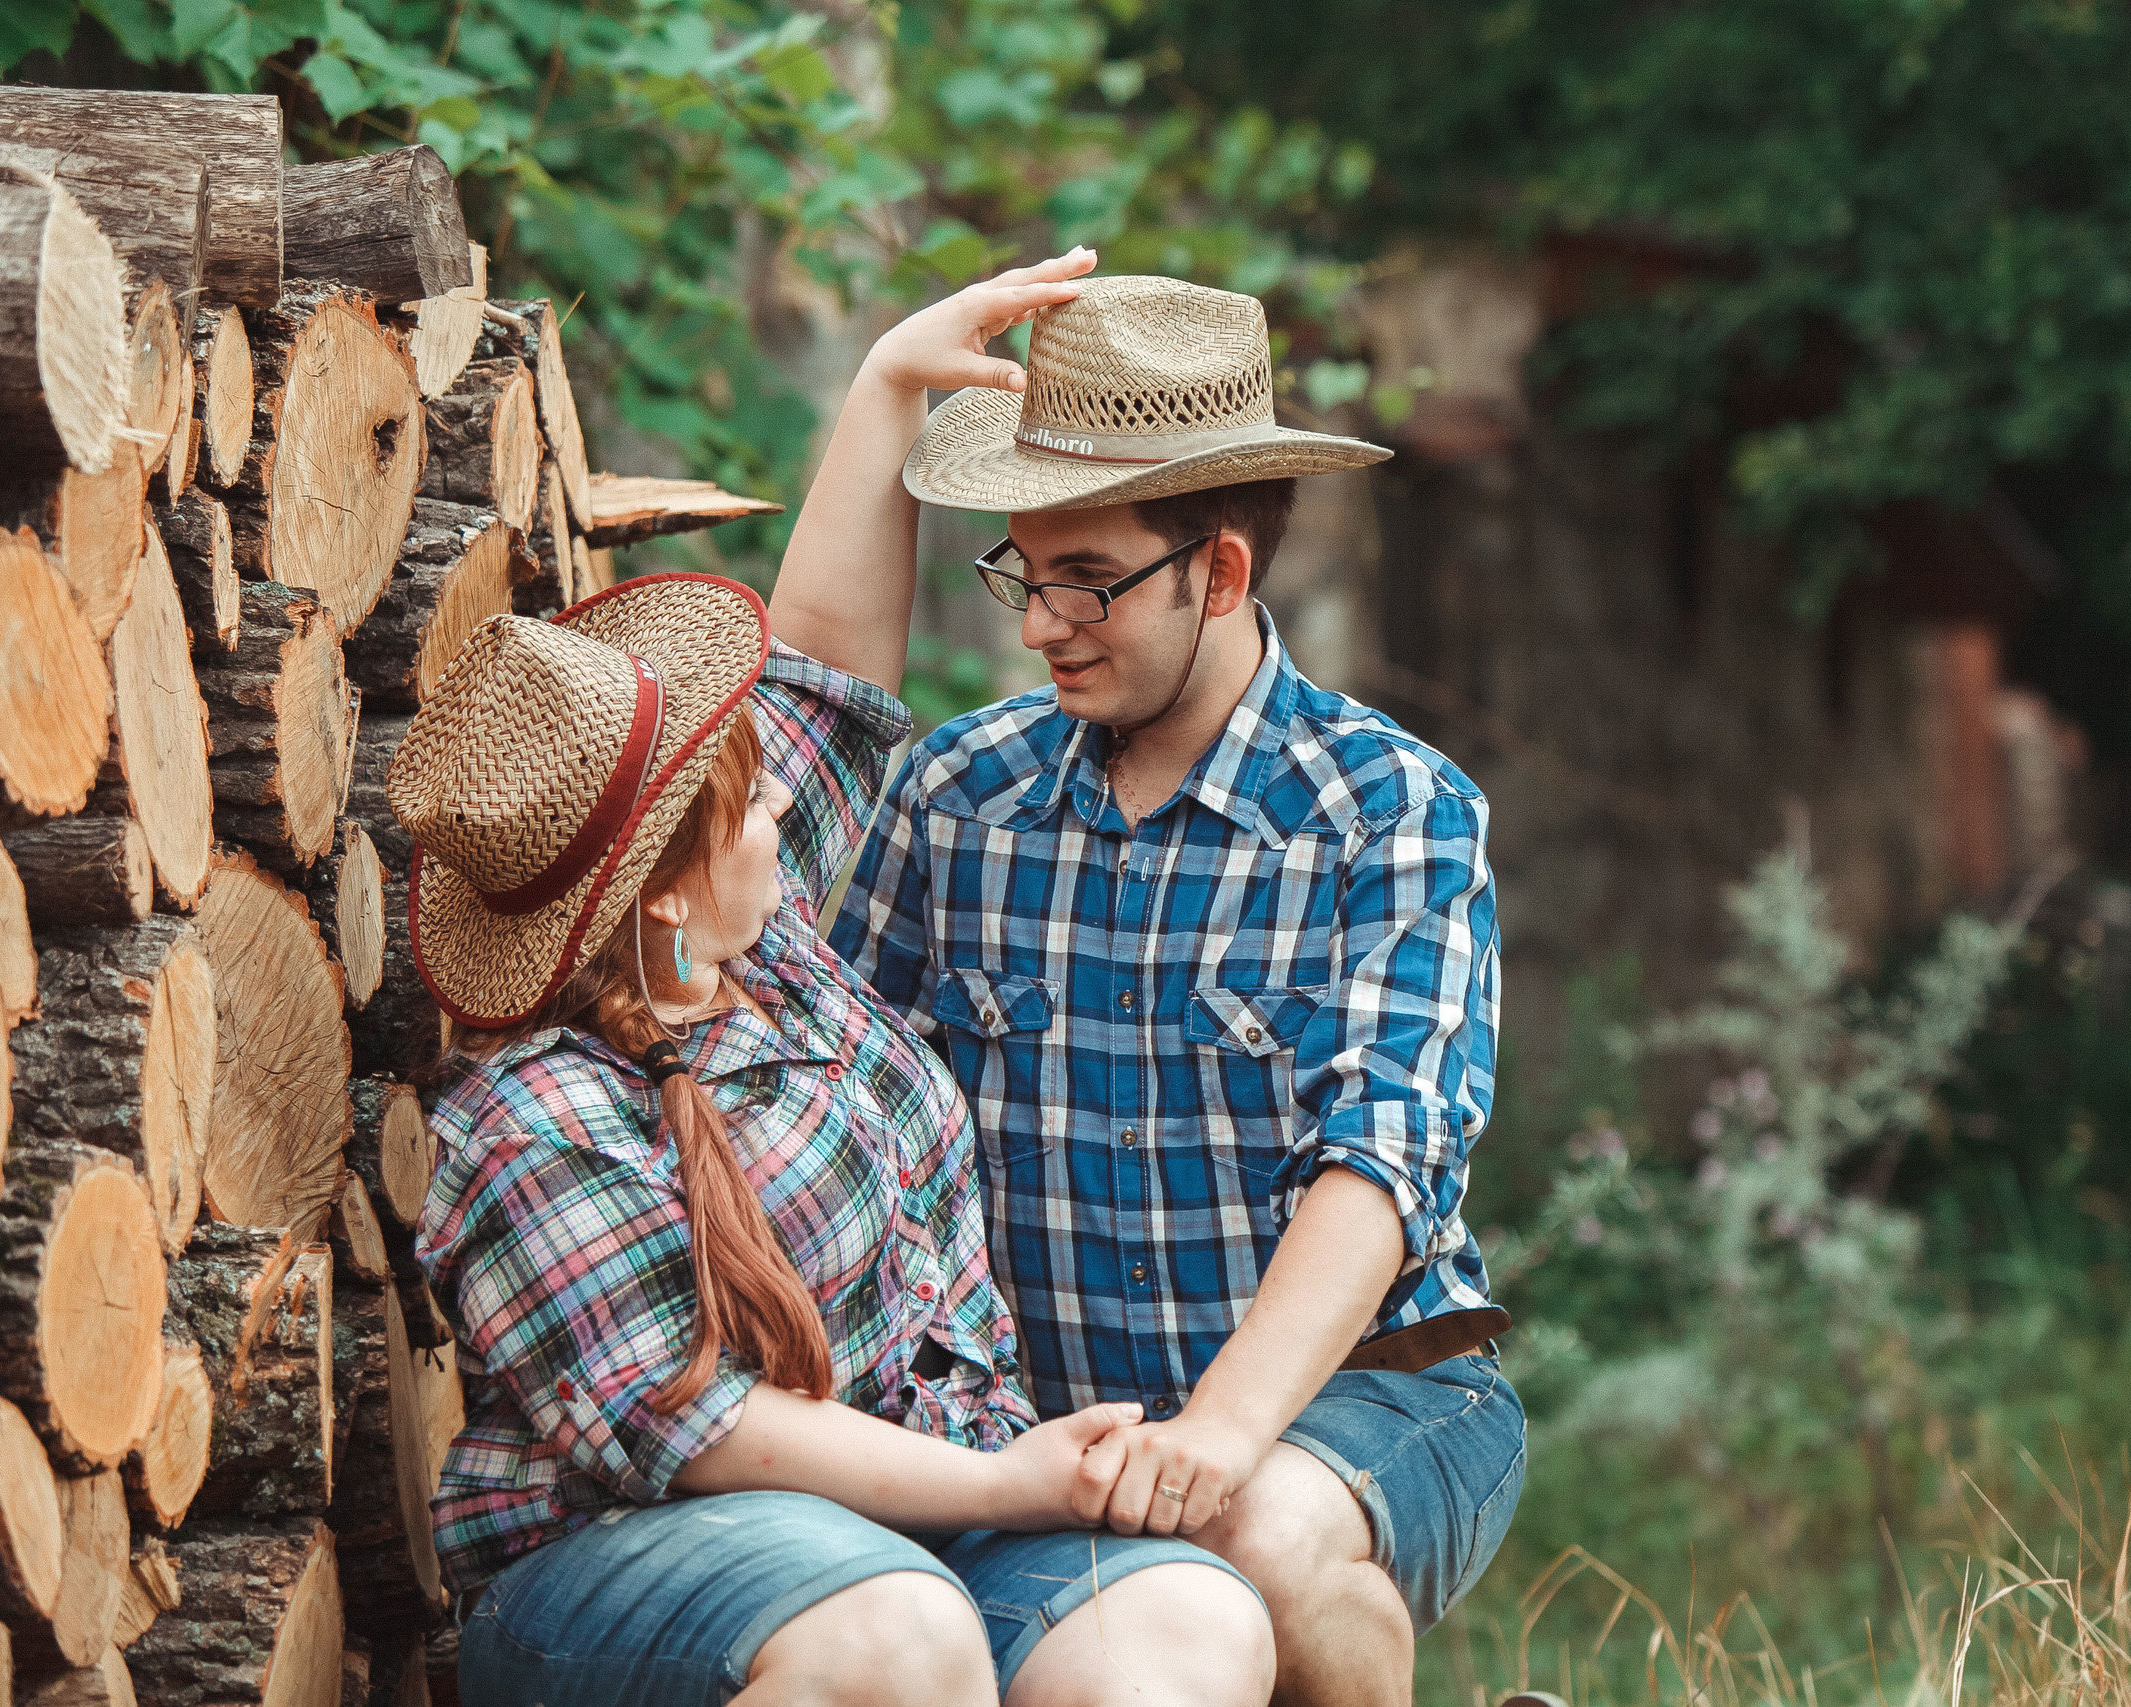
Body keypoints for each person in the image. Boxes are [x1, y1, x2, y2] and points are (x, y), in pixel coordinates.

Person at [399, 266, 1276, 1706]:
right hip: (641, 1569)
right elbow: (707, 1433)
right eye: (744, 808)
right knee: (896, 1641)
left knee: (1186, 1631)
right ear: (670, 884)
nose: (782, 822)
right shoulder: (533, 1122)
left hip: (927, 1516)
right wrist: (1010, 1478)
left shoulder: (762, 954)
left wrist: (889, 388)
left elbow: (819, 674)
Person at [789, 252, 1527, 1707]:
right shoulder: (954, 796)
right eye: (1020, 569)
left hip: (1371, 1390)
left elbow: (1383, 1163)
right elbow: (838, 1100)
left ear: (1223, 572)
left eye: (1086, 581)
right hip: (1037, 1416)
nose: (1037, 623)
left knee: (1249, 1534)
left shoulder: (1394, 808)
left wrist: (1228, 1432)